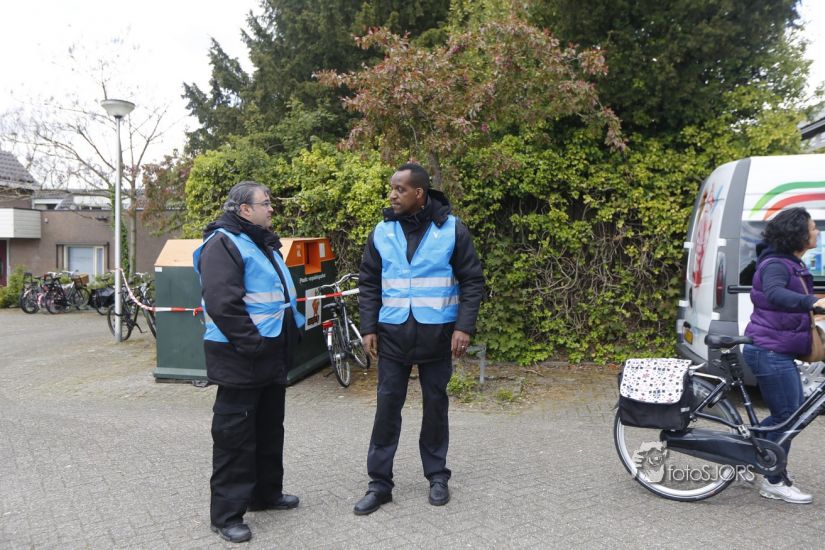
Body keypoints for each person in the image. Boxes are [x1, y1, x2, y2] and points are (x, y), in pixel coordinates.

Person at [353, 163, 485, 515]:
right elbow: (369, 283)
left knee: (435, 406)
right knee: (386, 408)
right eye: (391, 188)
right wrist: (368, 328)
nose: (392, 195)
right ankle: (379, 484)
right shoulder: (382, 231)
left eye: (400, 189)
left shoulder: (452, 229)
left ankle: (437, 476)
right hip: (392, 335)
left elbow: (472, 281)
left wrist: (463, 327)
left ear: (419, 193)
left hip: (437, 335)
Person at [193, 181, 305, 543]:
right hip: (242, 358)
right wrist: (254, 345)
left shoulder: (259, 241)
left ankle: (266, 494)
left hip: (270, 356)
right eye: (265, 203)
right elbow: (222, 303)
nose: (271, 208)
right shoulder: (223, 244)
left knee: (269, 429)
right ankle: (226, 516)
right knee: (235, 439)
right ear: (244, 209)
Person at [743, 206, 825, 504]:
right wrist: (811, 301)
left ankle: (747, 453)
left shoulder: (790, 262)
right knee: (789, 415)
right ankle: (774, 480)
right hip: (769, 352)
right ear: (798, 234)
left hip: (775, 349)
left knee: (786, 415)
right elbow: (775, 293)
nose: (817, 232)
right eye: (813, 227)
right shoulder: (776, 264)